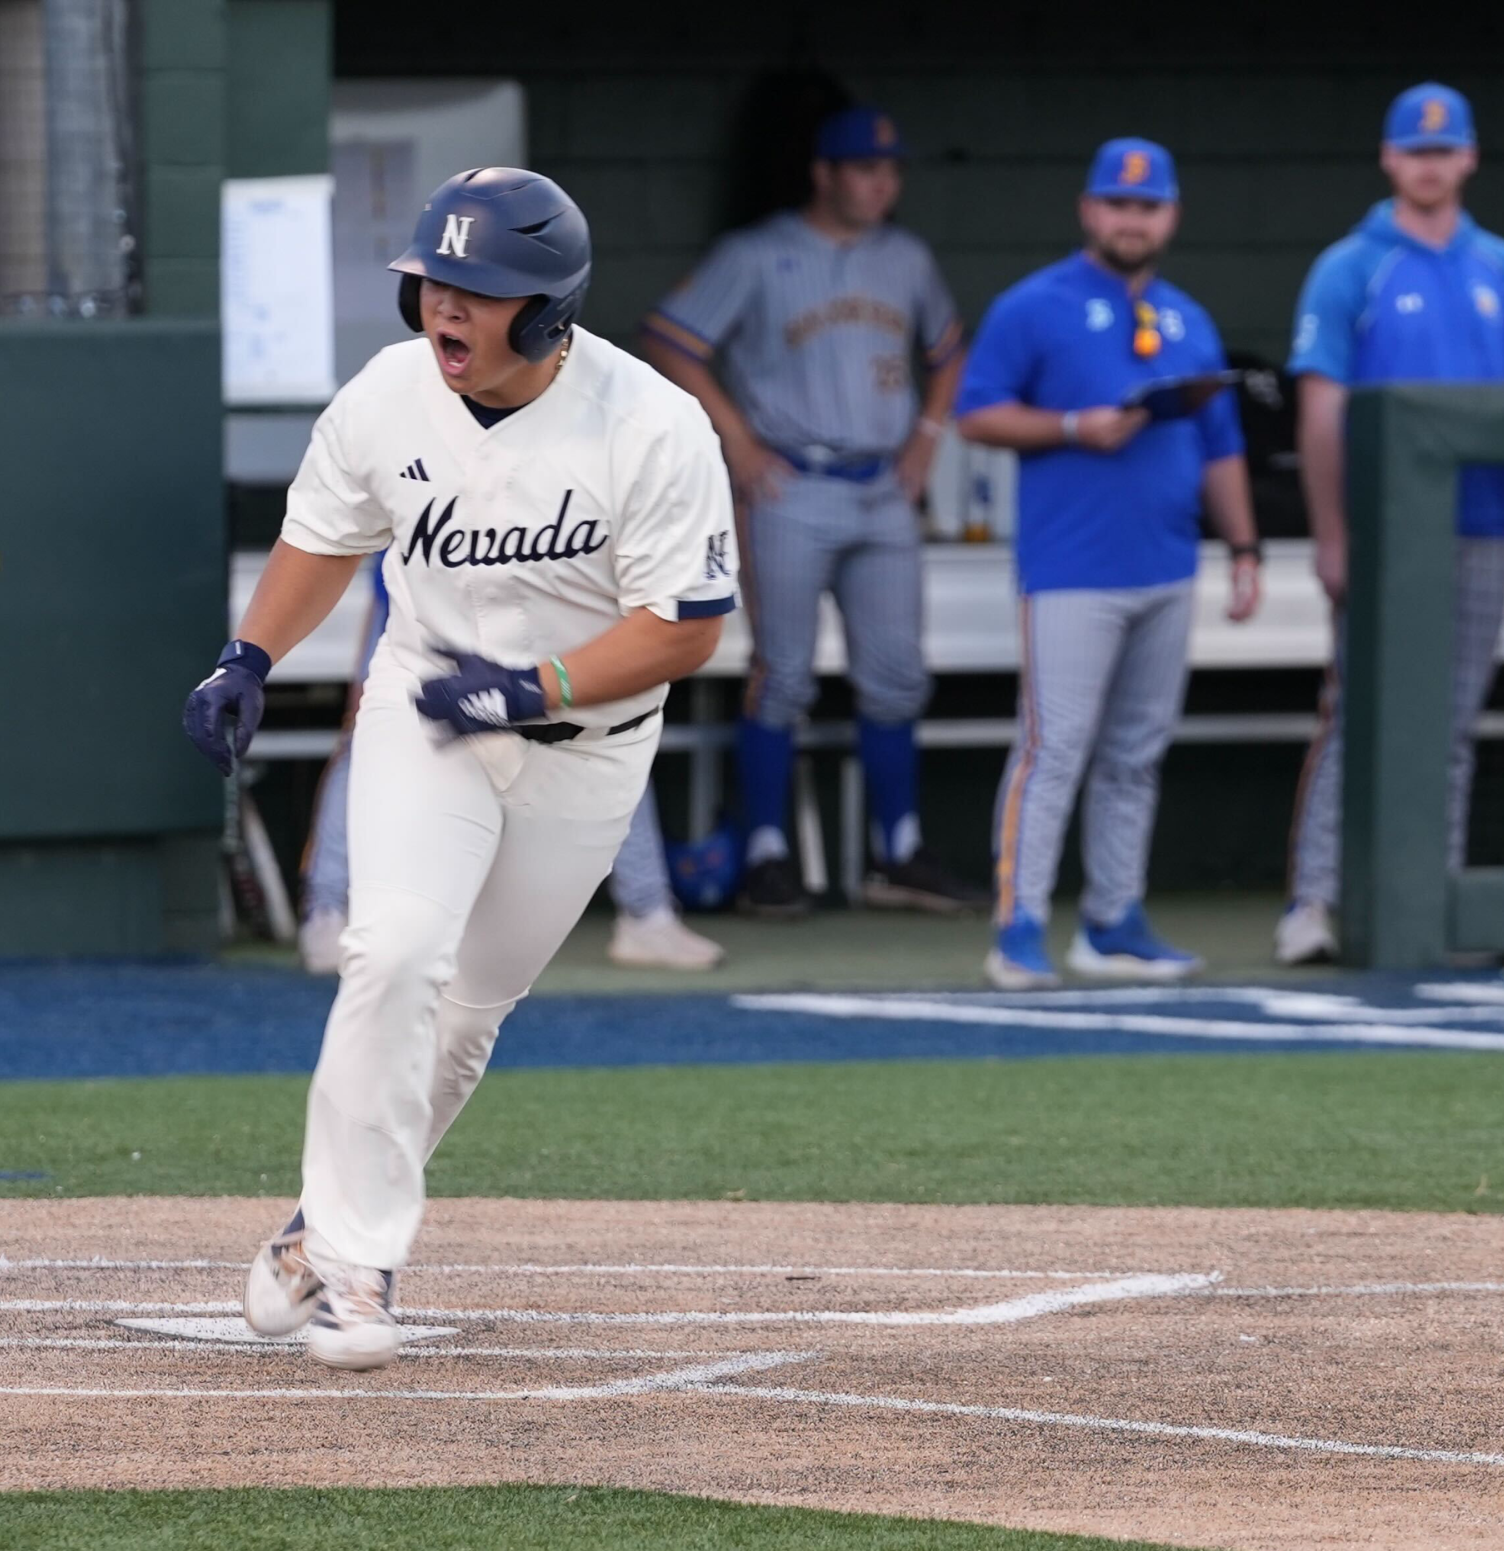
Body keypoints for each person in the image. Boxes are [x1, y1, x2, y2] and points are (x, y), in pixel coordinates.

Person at [181, 168, 735, 1370]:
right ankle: (360, 1265)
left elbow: (686, 627)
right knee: (392, 951)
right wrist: (248, 655)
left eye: (478, 291)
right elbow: (323, 538)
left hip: (584, 752)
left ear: (545, 312)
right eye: (434, 281)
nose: (446, 307)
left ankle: (312, 1228)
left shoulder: (648, 422)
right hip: (426, 718)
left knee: (464, 1020)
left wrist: (536, 687)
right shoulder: (387, 397)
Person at [642, 107, 984, 916]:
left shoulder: (906, 258)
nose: (882, 183)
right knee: (783, 673)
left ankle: (897, 851)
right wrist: (739, 441)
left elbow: (948, 351)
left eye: (892, 170)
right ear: (824, 173)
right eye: (866, 168)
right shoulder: (758, 253)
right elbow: (668, 337)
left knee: (898, 674)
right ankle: (766, 852)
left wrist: (928, 439)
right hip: (792, 482)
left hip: (882, 485)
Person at [955, 140, 1262, 990]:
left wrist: (1242, 547)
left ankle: (1113, 921)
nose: (1133, 219)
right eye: (1119, 204)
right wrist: (1071, 426)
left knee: (1137, 750)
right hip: (1072, 566)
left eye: (1149, 205)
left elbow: (1220, 444)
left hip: (1166, 561)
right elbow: (975, 414)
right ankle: (1018, 924)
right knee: (1053, 747)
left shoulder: (1188, 317)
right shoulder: (1034, 305)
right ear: (1091, 210)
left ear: (1171, 215)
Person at [1277, 84, 1504, 965]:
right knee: (1355, 713)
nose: (1431, 163)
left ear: (1470, 157)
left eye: (1445, 148)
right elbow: (1319, 408)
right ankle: (1315, 901)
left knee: (1453, 720)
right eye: (1415, 149)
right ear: (1389, 159)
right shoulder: (1351, 265)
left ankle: (1428, 906)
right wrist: (1334, 534)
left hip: (1480, 523)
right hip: (1384, 530)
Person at [299, 561, 724, 973]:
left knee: (610, 725)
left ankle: (647, 914)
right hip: (430, 589)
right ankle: (328, 910)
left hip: (545, 587)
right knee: (377, 733)